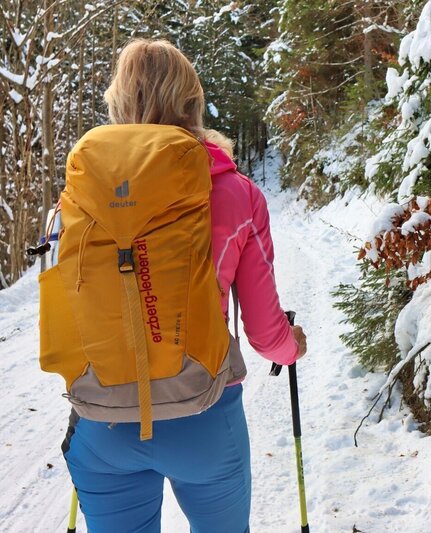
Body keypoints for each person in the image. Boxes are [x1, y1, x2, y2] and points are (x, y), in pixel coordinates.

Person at [60, 38, 307, 533]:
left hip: (104, 421)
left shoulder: (80, 195)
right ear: (193, 104)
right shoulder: (237, 195)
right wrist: (291, 348)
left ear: (118, 104)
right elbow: (264, 334)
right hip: (205, 416)